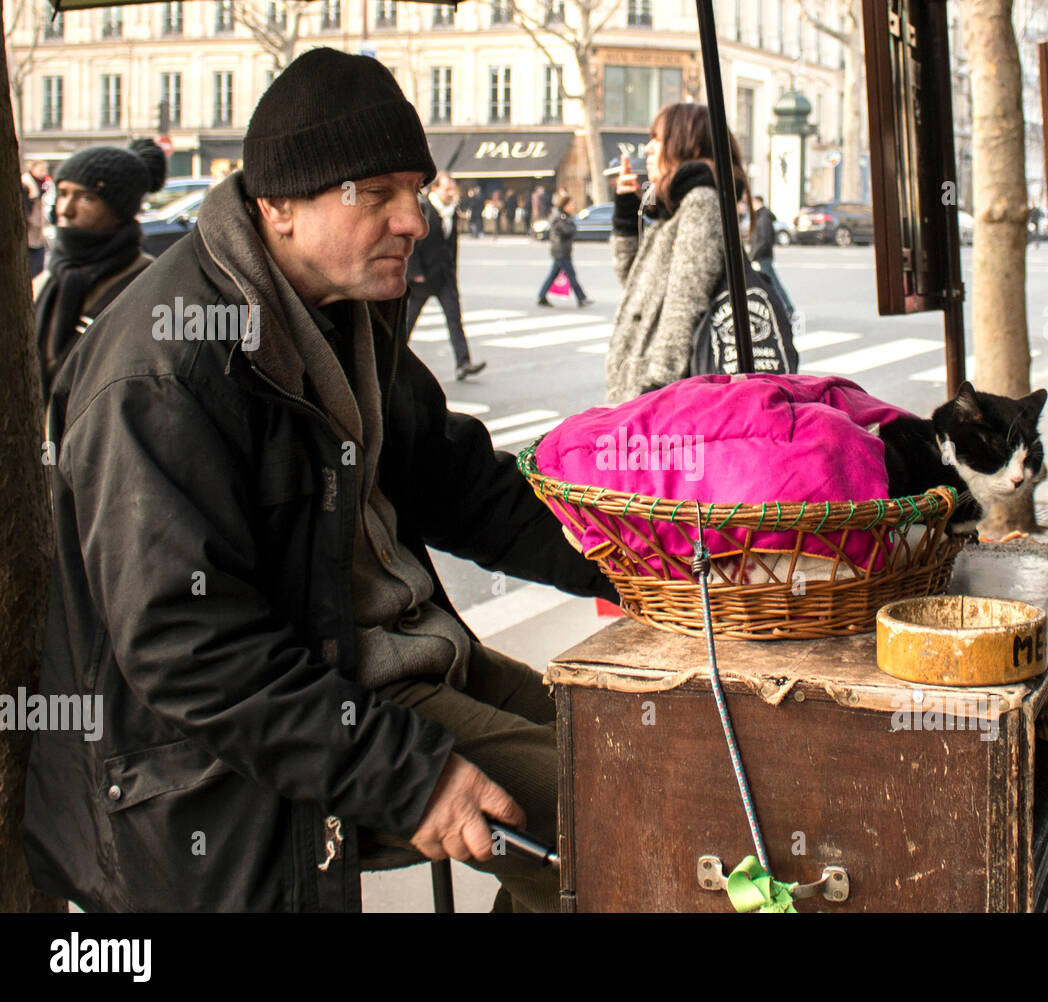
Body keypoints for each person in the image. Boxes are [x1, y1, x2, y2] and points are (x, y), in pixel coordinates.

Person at [22, 47, 616, 914]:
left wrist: (648, 563)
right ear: (280, 207)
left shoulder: (342, 307)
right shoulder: (166, 368)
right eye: (376, 196)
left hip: (388, 665)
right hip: (241, 749)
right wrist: (408, 774)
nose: (415, 219)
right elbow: (190, 651)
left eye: (415, 189)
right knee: (613, 814)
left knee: (641, 751)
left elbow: (461, 483)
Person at [605, 101, 743, 403]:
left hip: (656, 395)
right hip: (639, 387)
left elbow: (684, 304)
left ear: (685, 144)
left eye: (658, 138)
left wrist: (656, 388)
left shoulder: (700, 202)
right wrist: (627, 213)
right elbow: (635, 283)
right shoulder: (674, 209)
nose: (649, 148)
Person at [33, 139, 166, 400]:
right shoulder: (46, 281)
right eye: (62, 193)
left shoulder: (150, 286)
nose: (65, 210)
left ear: (120, 210)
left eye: (86, 198)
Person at [406, 172, 485, 381]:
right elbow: (411, 243)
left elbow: (451, 247)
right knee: (407, 323)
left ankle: (463, 363)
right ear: (435, 189)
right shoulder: (424, 208)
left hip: (444, 277)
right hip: (422, 279)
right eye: (447, 189)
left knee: (454, 320)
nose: (451, 193)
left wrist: (452, 274)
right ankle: (392, 359)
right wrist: (415, 273)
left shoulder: (451, 212)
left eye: (453, 189)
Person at [536, 193, 592, 308]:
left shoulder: (563, 217)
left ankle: (542, 296)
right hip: (561, 252)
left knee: (553, 275)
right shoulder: (560, 218)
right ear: (565, 206)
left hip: (562, 251)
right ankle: (581, 298)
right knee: (571, 276)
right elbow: (567, 231)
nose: (572, 207)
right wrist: (572, 224)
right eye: (571, 205)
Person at [749, 194, 794, 315]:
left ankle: (786, 307)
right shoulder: (762, 217)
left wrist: (752, 255)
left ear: (757, 202)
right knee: (770, 283)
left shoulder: (763, 218)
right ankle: (784, 307)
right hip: (763, 256)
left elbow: (763, 240)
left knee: (772, 283)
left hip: (763, 256)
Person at [21, 159, 50, 277]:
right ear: (33, 170)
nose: (44, 172)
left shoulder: (40, 184)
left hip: (37, 230)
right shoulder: (26, 184)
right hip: (30, 229)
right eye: (41, 169)